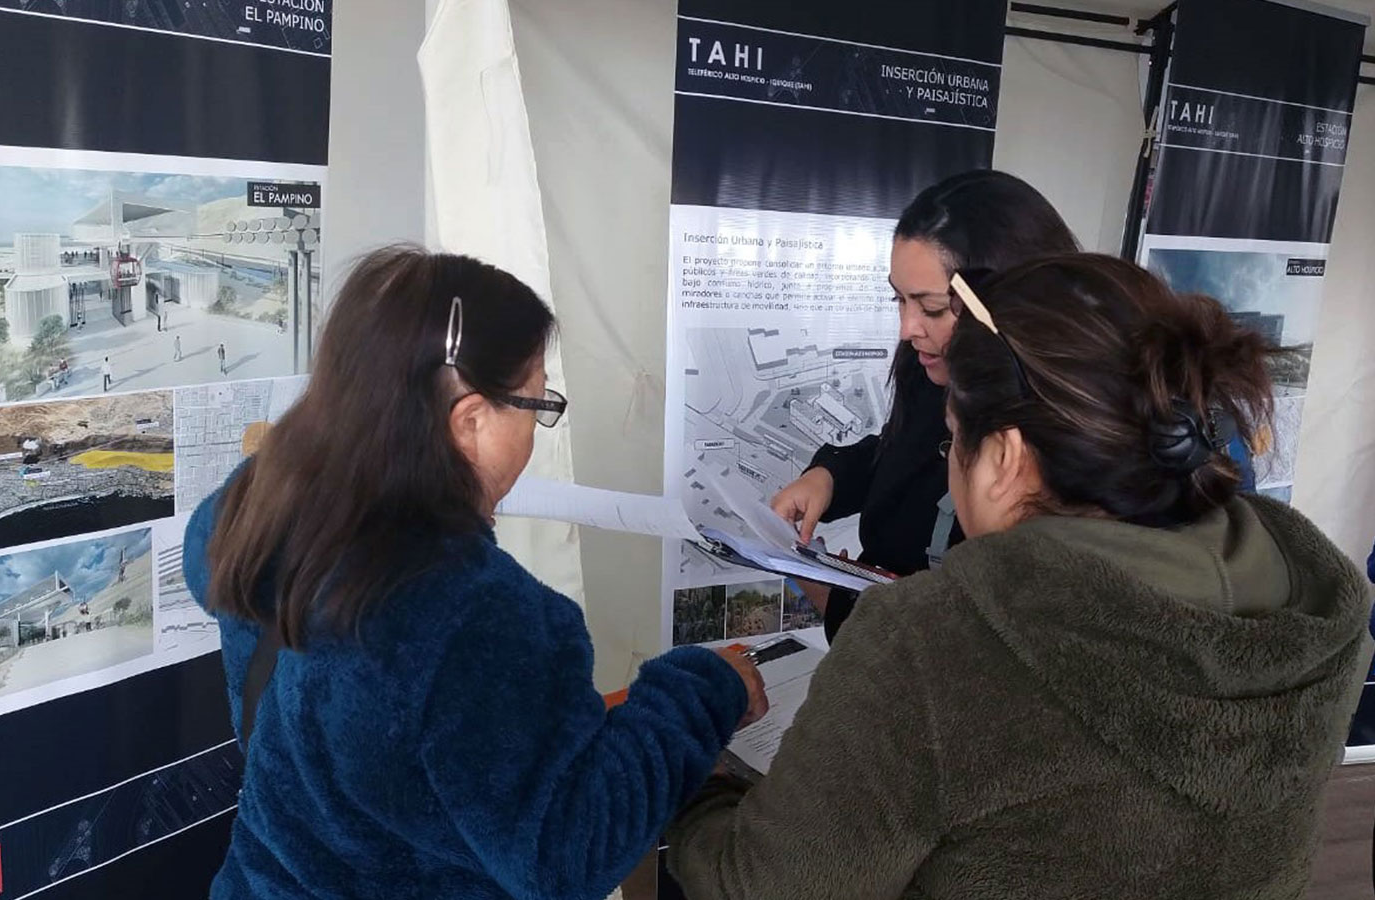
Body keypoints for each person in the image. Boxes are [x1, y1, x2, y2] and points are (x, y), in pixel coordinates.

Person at [667, 255, 1371, 899]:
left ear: (1004, 456)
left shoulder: (928, 646)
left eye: (953, 434)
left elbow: (767, 888)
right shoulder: (1321, 603)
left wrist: (703, 788)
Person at [183, 247, 768, 900]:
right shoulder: (474, 614)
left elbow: (398, 733)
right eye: (538, 401)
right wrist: (705, 689)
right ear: (470, 422)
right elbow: (569, 852)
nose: (540, 420)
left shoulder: (263, 498)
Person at [771, 170, 1078, 641]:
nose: (907, 328)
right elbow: (900, 454)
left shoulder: (1060, 448)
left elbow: (971, 649)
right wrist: (829, 475)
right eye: (898, 299)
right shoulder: (928, 364)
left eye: (932, 309)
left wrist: (842, 605)